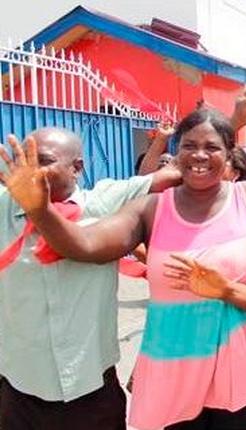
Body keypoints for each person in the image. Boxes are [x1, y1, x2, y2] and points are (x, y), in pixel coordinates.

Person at [1, 109, 246, 429]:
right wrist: (39, 209)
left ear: (230, 156)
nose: (200, 155)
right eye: (189, 145)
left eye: (212, 146)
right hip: (173, 363)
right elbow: (84, 246)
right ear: (177, 152)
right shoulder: (152, 207)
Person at [0, 127, 179, 430]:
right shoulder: (4, 207)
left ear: (77, 168)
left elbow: (176, 172)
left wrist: (231, 123)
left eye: (43, 161)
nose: (31, 171)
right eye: (25, 160)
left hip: (92, 391)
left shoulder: (105, 203)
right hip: (20, 392)